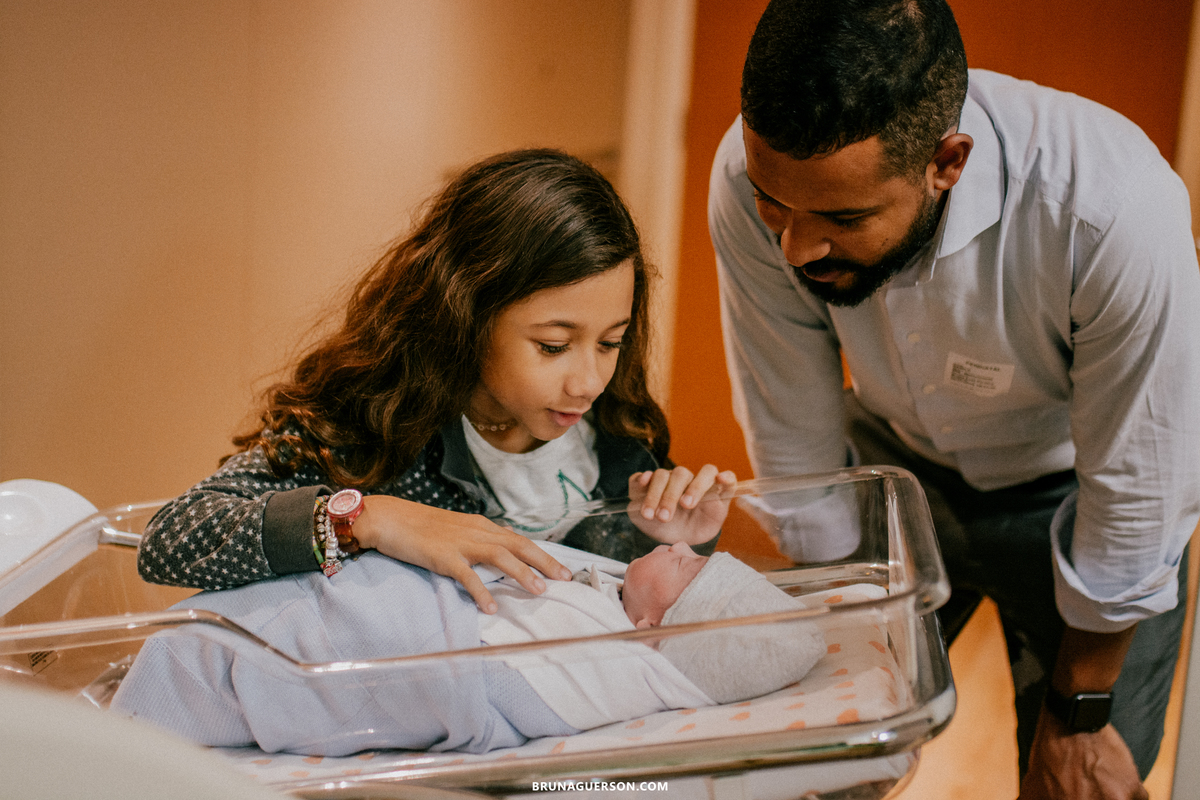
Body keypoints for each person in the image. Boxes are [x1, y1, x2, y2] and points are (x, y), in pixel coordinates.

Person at [707, 1, 1200, 798]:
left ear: (947, 162)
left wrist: (1079, 715)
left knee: (1080, 784)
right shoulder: (745, 175)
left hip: (1076, 491)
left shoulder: (1112, 208)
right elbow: (789, 424)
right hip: (893, 471)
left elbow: (1141, 481)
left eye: (843, 217)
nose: (796, 246)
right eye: (775, 208)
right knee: (817, 771)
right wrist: (841, 654)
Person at [137, 148, 736, 615]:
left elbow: (627, 615)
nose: (588, 382)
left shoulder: (618, 435)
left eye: (610, 343)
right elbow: (170, 541)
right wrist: (366, 519)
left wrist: (675, 543)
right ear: (466, 315)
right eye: (553, 346)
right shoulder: (372, 425)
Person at [111, 541, 824, 756]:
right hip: (346, 597)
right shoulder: (608, 600)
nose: (682, 545)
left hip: (399, 653)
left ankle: (180, 687)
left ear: (660, 631)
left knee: (226, 648)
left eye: (692, 567)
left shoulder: (601, 658)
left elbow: (468, 671)